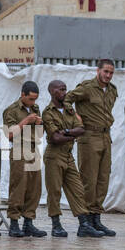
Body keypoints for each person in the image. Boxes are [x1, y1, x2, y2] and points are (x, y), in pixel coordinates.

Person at [65, 60, 118, 236]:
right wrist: (75, 117)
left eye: (111, 72)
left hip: (105, 136)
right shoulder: (87, 87)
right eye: (105, 71)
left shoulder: (112, 90)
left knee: (103, 179)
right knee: (89, 179)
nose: (108, 75)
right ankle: (84, 221)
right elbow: (67, 99)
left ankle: (96, 218)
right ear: (98, 71)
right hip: (89, 136)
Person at [41, 79, 95, 238]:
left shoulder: (69, 109)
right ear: (52, 91)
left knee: (78, 189)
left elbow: (81, 129)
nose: (65, 92)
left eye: (65, 89)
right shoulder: (48, 112)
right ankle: (56, 225)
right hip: (54, 155)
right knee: (54, 191)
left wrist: (65, 132)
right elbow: (55, 138)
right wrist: (71, 133)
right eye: (61, 89)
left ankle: (83, 224)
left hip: (68, 155)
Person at [1, 81, 47, 238]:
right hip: (20, 149)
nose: (33, 103)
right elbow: (9, 134)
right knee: (19, 186)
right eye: (31, 99)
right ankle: (14, 222)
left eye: (35, 99)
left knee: (34, 187)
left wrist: (40, 123)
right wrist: (25, 121)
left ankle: (28, 222)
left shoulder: (35, 109)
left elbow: (40, 133)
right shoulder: (12, 110)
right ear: (22, 95)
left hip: (34, 148)